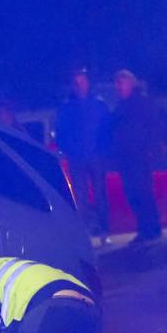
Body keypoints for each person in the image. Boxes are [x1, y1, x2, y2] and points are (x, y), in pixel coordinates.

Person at [108, 69, 167, 245]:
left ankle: (152, 230)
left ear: (130, 84)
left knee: (143, 194)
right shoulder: (120, 107)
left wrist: (151, 151)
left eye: (121, 83)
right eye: (117, 83)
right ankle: (144, 229)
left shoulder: (143, 104)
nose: (118, 87)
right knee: (133, 195)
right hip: (127, 160)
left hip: (140, 158)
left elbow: (155, 128)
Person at [55, 68, 111, 244]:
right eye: (77, 83)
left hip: (96, 157)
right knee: (80, 197)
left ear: (88, 83)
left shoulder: (99, 105)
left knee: (101, 194)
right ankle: (85, 233)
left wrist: (103, 150)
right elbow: (61, 131)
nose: (80, 86)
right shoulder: (66, 108)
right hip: (77, 159)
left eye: (83, 82)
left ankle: (104, 231)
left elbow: (107, 129)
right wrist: (69, 150)